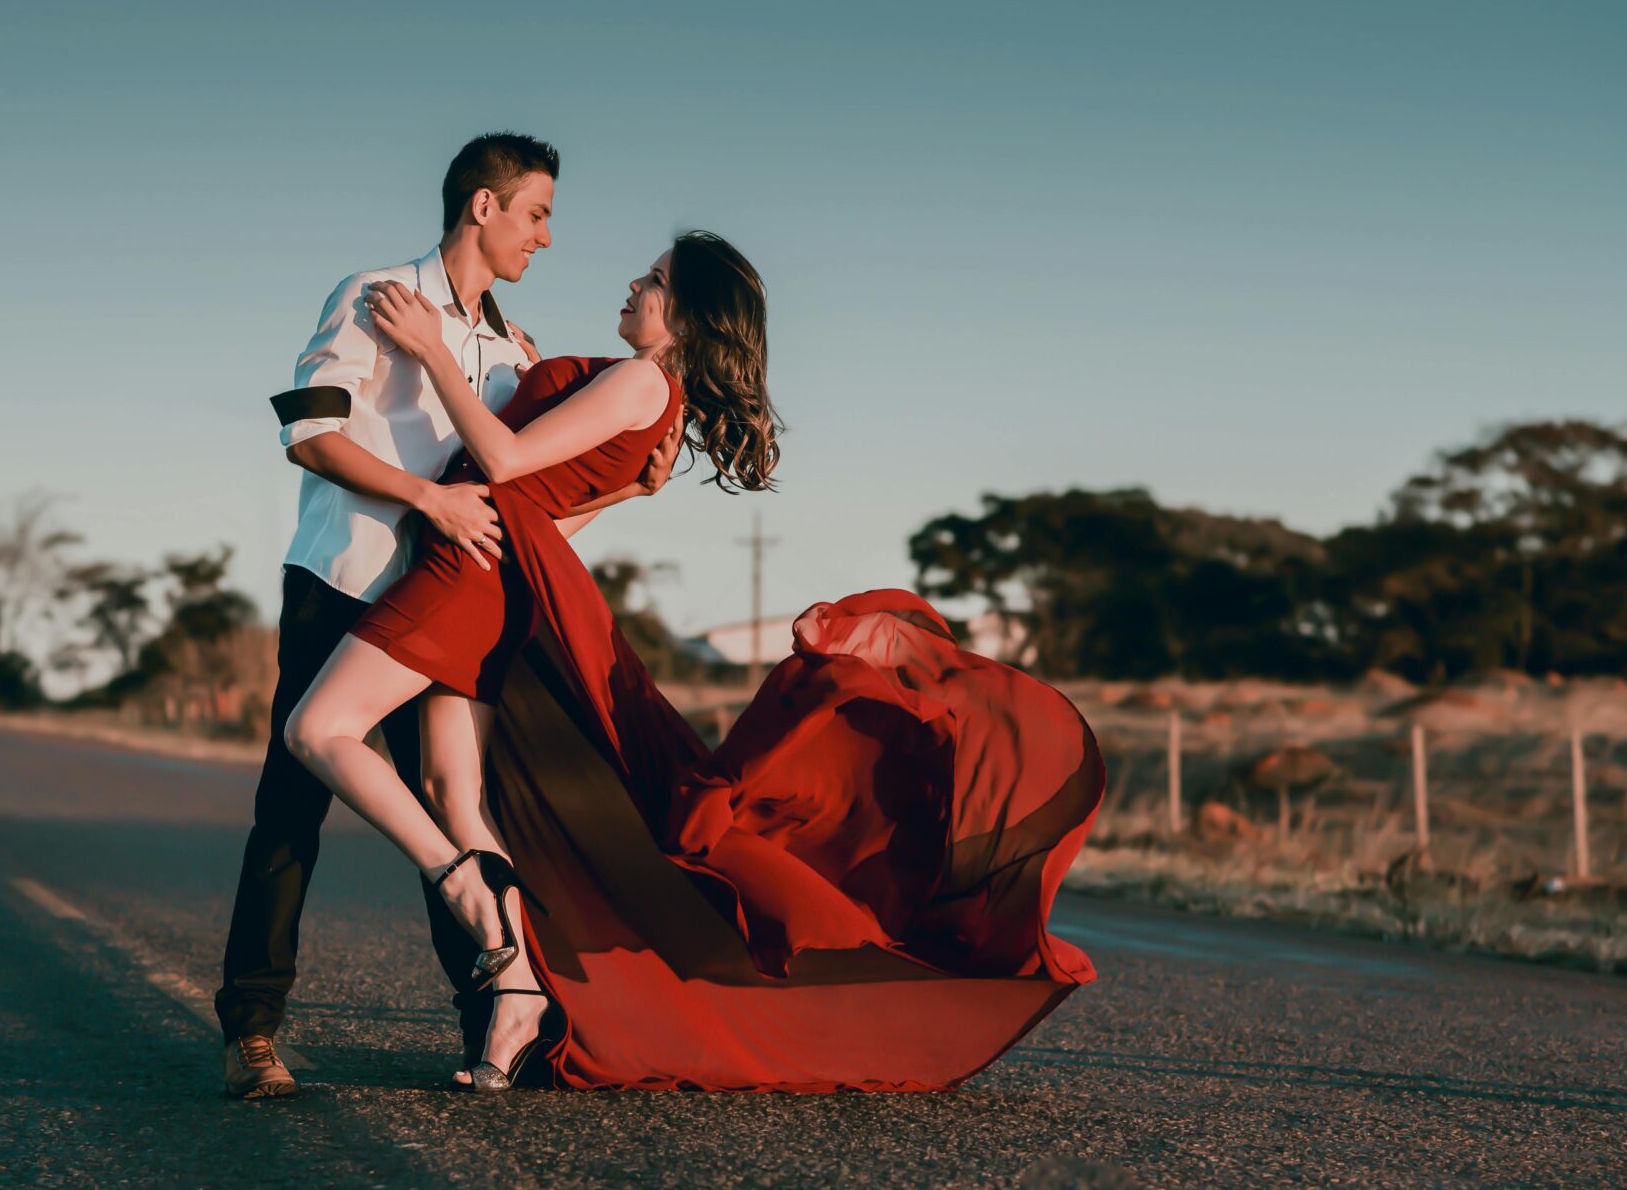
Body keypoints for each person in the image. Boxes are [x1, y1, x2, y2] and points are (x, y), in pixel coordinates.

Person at [286, 231, 1106, 1093]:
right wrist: (567, 433)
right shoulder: (659, 403)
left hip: (461, 571)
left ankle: (465, 893)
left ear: (684, 316)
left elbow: (503, 461)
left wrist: (428, 352)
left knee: (319, 727)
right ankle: (519, 994)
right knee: (457, 794)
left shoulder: (643, 378)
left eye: (654, 281)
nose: (634, 285)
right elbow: (549, 518)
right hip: (497, 572)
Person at [215, 133, 670, 1099]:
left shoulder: (514, 352)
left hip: (446, 600)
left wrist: (626, 493)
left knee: (446, 797)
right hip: (345, 578)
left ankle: (498, 1023)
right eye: (537, 213)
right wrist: (428, 504)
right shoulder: (377, 294)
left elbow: (524, 501)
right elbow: (309, 433)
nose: (546, 237)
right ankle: (251, 1031)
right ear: (483, 207)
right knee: (292, 809)